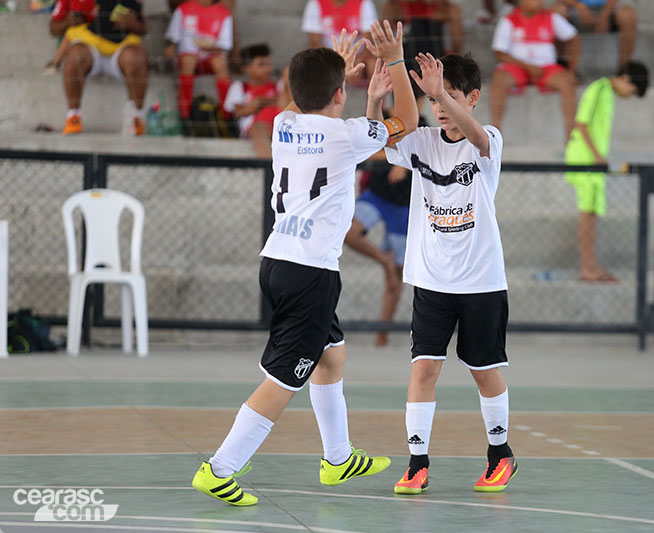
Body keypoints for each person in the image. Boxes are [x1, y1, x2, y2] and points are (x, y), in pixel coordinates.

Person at [190, 22, 419, 506]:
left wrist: (332, 69)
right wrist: (395, 61)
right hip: (310, 273)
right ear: (341, 93)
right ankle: (220, 468)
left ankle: (338, 459)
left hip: (277, 261)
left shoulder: (283, 123)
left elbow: (303, 98)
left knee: (331, 355)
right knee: (282, 380)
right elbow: (411, 122)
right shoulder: (345, 134)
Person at [379, 52, 516, 495]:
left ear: (472, 98)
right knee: (423, 370)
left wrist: (439, 90)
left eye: (450, 97)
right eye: (433, 99)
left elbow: (477, 136)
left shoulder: (487, 138)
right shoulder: (421, 141)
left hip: (480, 281)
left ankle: (501, 453)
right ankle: (417, 462)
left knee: (484, 369)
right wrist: (374, 99)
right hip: (432, 280)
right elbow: (382, 144)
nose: (438, 106)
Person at [345, 86, 427, 347]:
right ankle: (383, 259)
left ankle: (382, 333)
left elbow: (426, 157)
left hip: (404, 205)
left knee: (398, 274)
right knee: (349, 231)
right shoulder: (382, 119)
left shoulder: (423, 125)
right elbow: (365, 150)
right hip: (377, 196)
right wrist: (395, 160)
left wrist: (404, 162)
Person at [564, 62, 648, 282]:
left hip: (592, 162)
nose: (629, 96)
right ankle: (587, 268)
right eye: (632, 90)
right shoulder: (599, 89)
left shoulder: (607, 93)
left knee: (591, 214)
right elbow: (581, 124)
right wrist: (598, 157)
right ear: (626, 79)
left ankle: (591, 266)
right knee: (587, 214)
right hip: (586, 161)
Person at [489, 0, 580, 142]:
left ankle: (571, 136)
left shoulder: (552, 17)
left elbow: (573, 37)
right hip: (517, 67)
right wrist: (527, 67)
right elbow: (500, 53)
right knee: (500, 79)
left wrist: (572, 69)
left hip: (546, 68)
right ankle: (494, 136)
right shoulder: (509, 20)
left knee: (567, 81)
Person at [54, 0, 148, 135]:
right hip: (90, 48)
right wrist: (70, 21)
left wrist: (133, 24)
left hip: (121, 49)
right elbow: (54, 28)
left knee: (137, 56)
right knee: (75, 54)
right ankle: (73, 117)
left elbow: (144, 28)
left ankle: (136, 118)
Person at [165, 0, 234, 130]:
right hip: (187, 58)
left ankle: (227, 116)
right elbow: (173, 38)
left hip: (211, 57)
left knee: (221, 63)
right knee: (188, 61)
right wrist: (171, 47)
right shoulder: (183, 9)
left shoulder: (224, 13)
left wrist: (211, 48)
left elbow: (225, 46)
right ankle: (184, 115)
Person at [223, 43, 282, 159]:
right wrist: (263, 103)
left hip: (280, 126)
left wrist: (259, 101)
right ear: (247, 68)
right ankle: (269, 168)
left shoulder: (279, 86)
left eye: (269, 64)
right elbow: (239, 112)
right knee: (259, 129)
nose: (268, 69)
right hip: (256, 128)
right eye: (262, 65)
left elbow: (287, 102)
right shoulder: (240, 87)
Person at [301, 0, 378, 83]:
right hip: (327, 55)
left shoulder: (364, 2)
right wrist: (335, 63)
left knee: (373, 65)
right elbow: (315, 44)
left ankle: (376, 95)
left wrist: (358, 60)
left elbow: (367, 42)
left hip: (356, 55)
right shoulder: (315, 3)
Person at [552, 0, 637, 68]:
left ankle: (624, 69)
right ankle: (564, 67)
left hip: (607, 7)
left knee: (627, 16)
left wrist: (605, 14)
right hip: (574, 6)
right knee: (557, 13)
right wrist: (578, 6)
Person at [381, 0, 464, 59]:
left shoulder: (445, 8)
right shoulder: (394, 7)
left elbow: (457, 43)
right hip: (405, 55)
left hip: (436, 54)